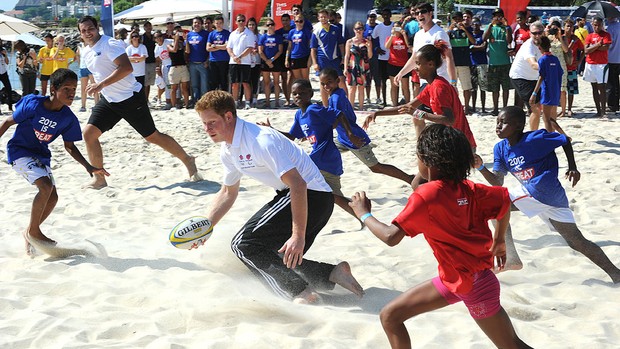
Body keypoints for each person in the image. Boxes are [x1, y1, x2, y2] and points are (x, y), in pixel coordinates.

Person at [349, 123, 532, 349]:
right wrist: (499, 240)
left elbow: (390, 237)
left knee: (512, 346)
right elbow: (503, 201)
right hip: (454, 279)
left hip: (474, 286)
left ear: (426, 160)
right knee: (390, 315)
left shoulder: (426, 196)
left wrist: (363, 213)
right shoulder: (470, 188)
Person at [195, 89, 364, 303]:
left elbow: (298, 183)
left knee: (242, 244)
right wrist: (205, 227)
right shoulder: (228, 150)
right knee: (268, 253)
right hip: (306, 197)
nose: (206, 129)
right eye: (204, 123)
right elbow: (228, 192)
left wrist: (298, 236)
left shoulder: (260, 140)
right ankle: (332, 273)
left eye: (211, 123)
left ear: (228, 116)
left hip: (310, 195)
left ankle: (299, 292)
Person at [476, 106, 620, 284]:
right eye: (497, 122)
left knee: (494, 206)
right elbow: (498, 181)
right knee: (576, 241)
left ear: (519, 125)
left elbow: (565, 140)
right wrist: (481, 167)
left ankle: (511, 258)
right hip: (544, 196)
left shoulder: (535, 138)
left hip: (543, 190)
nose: (498, 126)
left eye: (503, 123)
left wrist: (573, 167)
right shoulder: (500, 148)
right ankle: (616, 274)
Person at [78, 16, 200, 189]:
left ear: (97, 28)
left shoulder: (110, 44)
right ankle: (99, 178)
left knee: (153, 136)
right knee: (89, 134)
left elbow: (126, 68)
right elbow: (98, 73)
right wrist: (96, 85)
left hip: (130, 97)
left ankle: (188, 160)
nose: (87, 33)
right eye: (83, 31)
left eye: (90, 28)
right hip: (110, 100)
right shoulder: (86, 51)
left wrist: (101, 84)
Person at [0, 68, 109, 255]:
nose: (71, 93)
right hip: (19, 151)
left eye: (74, 89)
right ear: (53, 89)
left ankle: (29, 231)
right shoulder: (33, 105)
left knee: (53, 196)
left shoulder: (68, 118)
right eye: (66, 88)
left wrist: (88, 166)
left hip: (41, 154)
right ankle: (34, 231)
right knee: (45, 186)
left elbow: (70, 147)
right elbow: (7, 122)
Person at [261, 78, 364, 225]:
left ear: (310, 94)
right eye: (294, 94)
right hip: (316, 160)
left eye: (302, 93)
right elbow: (292, 136)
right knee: (320, 192)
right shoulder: (299, 114)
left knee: (330, 195)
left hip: (327, 160)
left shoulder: (313, 109)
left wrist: (350, 135)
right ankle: (362, 216)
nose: (298, 96)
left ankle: (363, 216)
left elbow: (339, 114)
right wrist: (272, 130)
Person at [366, 44, 476, 149]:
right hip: (453, 141)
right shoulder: (431, 86)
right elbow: (406, 107)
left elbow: (449, 119)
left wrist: (417, 113)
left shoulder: (439, 87)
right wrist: (377, 113)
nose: (415, 68)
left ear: (431, 64)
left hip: (461, 145)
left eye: (418, 64)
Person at [320, 68, 413, 185]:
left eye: (329, 82)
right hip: (343, 138)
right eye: (323, 84)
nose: (326, 86)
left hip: (355, 139)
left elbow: (340, 118)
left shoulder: (336, 98)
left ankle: (410, 178)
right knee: (321, 151)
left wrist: (346, 134)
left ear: (338, 80)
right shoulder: (338, 93)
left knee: (376, 167)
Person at [509, 21, 544, 131]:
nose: (537, 35)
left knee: (538, 107)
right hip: (520, 77)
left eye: (540, 33)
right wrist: (550, 67)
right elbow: (533, 65)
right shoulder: (528, 46)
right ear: (530, 33)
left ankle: (531, 132)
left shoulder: (545, 43)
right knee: (535, 108)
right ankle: (532, 135)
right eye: (534, 33)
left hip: (534, 78)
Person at [312, 9, 347, 107]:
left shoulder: (336, 29)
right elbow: (313, 49)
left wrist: (343, 57)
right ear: (318, 18)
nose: (323, 18)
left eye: (325, 16)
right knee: (323, 83)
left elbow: (341, 44)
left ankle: (345, 103)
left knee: (340, 80)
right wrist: (315, 63)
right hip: (322, 60)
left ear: (328, 17)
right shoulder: (316, 31)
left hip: (335, 59)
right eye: (321, 17)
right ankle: (325, 106)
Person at [530, 36, 563, 134]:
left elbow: (541, 77)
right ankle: (564, 136)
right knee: (551, 118)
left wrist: (534, 93)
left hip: (547, 91)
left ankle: (552, 138)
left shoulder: (542, 60)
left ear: (540, 47)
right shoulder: (555, 59)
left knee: (546, 118)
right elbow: (560, 73)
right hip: (556, 90)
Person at [483, 8, 513, 116]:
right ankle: (496, 108)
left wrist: (507, 26)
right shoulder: (491, 27)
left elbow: (509, 40)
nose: (498, 17)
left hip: (505, 62)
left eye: (500, 15)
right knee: (495, 88)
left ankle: (505, 108)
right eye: (496, 15)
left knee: (506, 88)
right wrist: (491, 25)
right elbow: (484, 38)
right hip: (493, 63)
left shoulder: (506, 28)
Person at [447, 11, 475, 114]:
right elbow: (444, 41)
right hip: (452, 64)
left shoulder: (467, 30)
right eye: (455, 19)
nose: (457, 21)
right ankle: (452, 107)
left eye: (459, 19)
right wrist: (450, 29)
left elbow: (473, 41)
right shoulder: (450, 32)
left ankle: (467, 108)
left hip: (464, 63)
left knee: (466, 87)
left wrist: (464, 30)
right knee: (451, 87)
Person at [583, 17, 611, 118]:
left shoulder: (606, 35)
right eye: (595, 24)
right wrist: (598, 45)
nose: (596, 27)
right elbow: (586, 51)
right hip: (590, 64)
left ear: (602, 24)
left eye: (598, 24)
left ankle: (603, 112)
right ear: (592, 24)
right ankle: (598, 111)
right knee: (594, 87)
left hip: (601, 64)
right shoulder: (589, 36)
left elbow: (606, 47)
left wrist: (593, 47)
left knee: (602, 88)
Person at [227, 14, 256, 110]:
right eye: (239, 20)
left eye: (243, 20)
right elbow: (229, 47)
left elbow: (250, 47)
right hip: (233, 62)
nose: (241, 22)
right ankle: (235, 102)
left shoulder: (249, 33)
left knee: (246, 83)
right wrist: (234, 57)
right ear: (235, 22)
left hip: (245, 62)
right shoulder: (232, 34)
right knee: (234, 84)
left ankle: (247, 102)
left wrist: (239, 57)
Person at [344, 21, 373, 111]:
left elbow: (370, 56)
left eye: (360, 28)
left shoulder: (367, 41)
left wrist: (368, 47)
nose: (358, 30)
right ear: (353, 30)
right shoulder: (349, 42)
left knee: (361, 88)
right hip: (352, 66)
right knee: (352, 88)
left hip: (363, 66)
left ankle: (361, 107)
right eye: (357, 29)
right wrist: (345, 68)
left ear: (363, 30)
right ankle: (351, 108)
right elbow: (347, 55)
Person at [371, 8, 394, 108]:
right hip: (382, 57)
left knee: (394, 81)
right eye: (384, 14)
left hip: (393, 57)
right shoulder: (379, 27)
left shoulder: (394, 26)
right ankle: (384, 101)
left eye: (387, 14)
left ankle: (395, 101)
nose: (385, 16)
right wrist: (376, 48)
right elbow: (373, 38)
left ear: (390, 15)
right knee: (383, 81)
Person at [258, 18, 284, 108]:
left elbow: (280, 50)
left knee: (276, 82)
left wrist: (272, 60)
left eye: (272, 24)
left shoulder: (278, 37)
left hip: (275, 61)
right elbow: (260, 51)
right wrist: (267, 61)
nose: (270, 26)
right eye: (268, 25)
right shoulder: (263, 37)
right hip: (265, 61)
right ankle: (268, 101)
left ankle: (277, 101)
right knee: (266, 82)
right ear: (266, 26)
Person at [546, 20, 569, 118]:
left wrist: (559, 36)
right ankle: (551, 110)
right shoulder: (548, 38)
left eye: (556, 27)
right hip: (550, 65)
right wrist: (547, 31)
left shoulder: (563, 38)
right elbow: (543, 47)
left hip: (561, 65)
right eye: (553, 27)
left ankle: (563, 111)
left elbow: (566, 50)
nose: (554, 29)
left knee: (562, 90)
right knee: (550, 88)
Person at [185, 16, 210, 106]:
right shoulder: (189, 35)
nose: (196, 24)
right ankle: (196, 101)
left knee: (204, 85)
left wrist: (207, 60)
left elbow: (209, 49)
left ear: (201, 24)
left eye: (198, 23)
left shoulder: (206, 34)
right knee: (194, 85)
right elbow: (187, 50)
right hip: (192, 63)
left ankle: (204, 103)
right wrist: (186, 40)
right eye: (195, 23)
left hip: (203, 63)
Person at [385, 23, 411, 107]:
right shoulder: (390, 37)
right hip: (393, 63)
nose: (396, 29)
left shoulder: (404, 37)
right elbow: (387, 46)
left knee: (405, 86)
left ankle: (408, 104)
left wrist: (404, 34)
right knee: (394, 85)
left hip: (404, 65)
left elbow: (408, 46)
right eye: (395, 27)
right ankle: (395, 104)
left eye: (398, 27)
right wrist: (392, 35)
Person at [563, 19, 584, 118]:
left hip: (571, 67)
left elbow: (583, 50)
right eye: (567, 26)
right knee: (562, 90)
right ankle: (563, 109)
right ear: (564, 27)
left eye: (571, 26)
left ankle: (569, 108)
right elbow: (565, 50)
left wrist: (579, 61)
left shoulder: (575, 38)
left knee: (571, 89)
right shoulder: (561, 38)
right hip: (562, 67)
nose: (569, 28)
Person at [167, 25, 191, 110]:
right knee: (174, 88)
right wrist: (176, 39)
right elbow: (174, 50)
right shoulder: (169, 45)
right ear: (172, 36)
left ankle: (187, 104)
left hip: (183, 67)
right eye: (175, 34)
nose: (177, 35)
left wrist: (186, 40)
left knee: (184, 87)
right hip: (174, 68)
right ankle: (173, 105)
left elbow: (187, 51)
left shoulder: (182, 44)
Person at [207, 15, 231, 92]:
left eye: (220, 23)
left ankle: (224, 100)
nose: (219, 25)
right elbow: (208, 48)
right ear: (214, 23)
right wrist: (220, 47)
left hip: (224, 60)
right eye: (217, 23)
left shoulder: (227, 33)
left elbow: (226, 46)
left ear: (223, 23)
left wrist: (215, 46)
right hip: (213, 61)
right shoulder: (211, 34)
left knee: (223, 82)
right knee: (213, 82)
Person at [286, 15, 312, 83]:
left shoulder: (306, 31)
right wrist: (286, 59)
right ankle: (300, 93)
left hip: (304, 56)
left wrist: (310, 58)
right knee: (297, 79)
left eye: (301, 21)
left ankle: (308, 93)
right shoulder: (291, 32)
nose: (299, 23)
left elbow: (311, 46)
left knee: (305, 79)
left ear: (303, 22)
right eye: (297, 21)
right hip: (294, 57)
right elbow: (289, 46)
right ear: (294, 22)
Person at [75, 39, 99, 112]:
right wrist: (79, 65)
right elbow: (77, 55)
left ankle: (96, 105)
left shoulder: (92, 45)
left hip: (91, 68)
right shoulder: (80, 46)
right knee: (83, 88)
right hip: (83, 68)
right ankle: (83, 106)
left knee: (94, 87)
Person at [470, 17, 488, 114]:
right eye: (473, 23)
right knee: (473, 88)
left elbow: (484, 47)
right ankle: (473, 107)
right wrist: (478, 47)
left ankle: (484, 107)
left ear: (480, 24)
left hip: (482, 62)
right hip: (472, 63)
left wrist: (473, 47)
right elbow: (469, 48)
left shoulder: (483, 34)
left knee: (483, 87)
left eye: (477, 23)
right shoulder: (470, 34)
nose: (475, 25)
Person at [275, 13, 293, 107]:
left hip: (293, 55)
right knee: (284, 78)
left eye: (287, 20)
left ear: (290, 21)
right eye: (283, 20)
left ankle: (294, 98)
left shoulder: (293, 30)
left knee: (293, 77)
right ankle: (287, 99)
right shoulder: (278, 32)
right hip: (281, 57)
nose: (285, 22)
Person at [364, 12, 382, 105]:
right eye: (371, 16)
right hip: (366, 57)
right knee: (367, 78)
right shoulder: (364, 28)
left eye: (374, 16)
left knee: (377, 77)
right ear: (368, 17)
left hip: (376, 56)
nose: (372, 18)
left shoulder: (379, 27)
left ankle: (378, 97)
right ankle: (367, 97)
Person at [154, 31, 174, 109]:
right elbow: (157, 59)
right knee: (167, 85)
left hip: (173, 64)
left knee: (174, 85)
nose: (158, 38)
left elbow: (177, 44)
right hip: (164, 66)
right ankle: (168, 102)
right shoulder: (156, 48)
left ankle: (176, 101)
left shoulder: (168, 41)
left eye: (159, 36)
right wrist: (158, 69)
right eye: (156, 37)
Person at [246, 18, 261, 109]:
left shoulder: (258, 36)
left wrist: (257, 51)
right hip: (247, 61)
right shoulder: (245, 35)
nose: (251, 26)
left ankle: (255, 99)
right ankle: (248, 98)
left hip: (257, 60)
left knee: (255, 81)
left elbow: (262, 47)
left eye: (253, 25)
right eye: (250, 25)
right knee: (247, 81)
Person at [141, 21, 157, 103]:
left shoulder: (154, 36)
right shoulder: (142, 37)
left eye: (149, 26)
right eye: (146, 26)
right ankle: (145, 99)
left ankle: (146, 99)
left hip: (153, 61)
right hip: (144, 62)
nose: (148, 28)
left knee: (150, 82)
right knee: (145, 83)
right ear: (144, 28)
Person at [606, 16, 620, 114]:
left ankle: (612, 105)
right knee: (617, 83)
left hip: (612, 58)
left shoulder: (610, 28)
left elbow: (609, 44)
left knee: (612, 83)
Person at [0, 42, 13, 113]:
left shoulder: (3, 49)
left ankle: (10, 106)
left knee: (9, 89)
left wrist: (5, 55)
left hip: (3, 72)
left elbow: (7, 62)